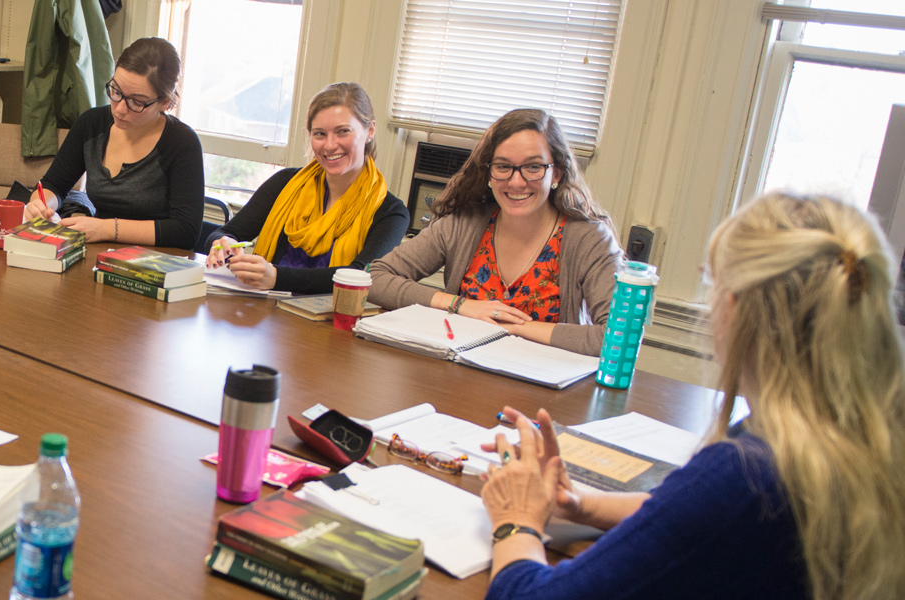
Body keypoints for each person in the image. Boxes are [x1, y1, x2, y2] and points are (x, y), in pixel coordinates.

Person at [479, 193, 905, 599]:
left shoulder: (747, 473)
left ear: (737, 309)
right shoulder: (855, 432)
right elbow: (692, 515)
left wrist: (516, 521)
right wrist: (581, 504)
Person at [365, 108, 620, 355]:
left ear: (557, 174)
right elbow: (375, 278)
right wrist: (459, 305)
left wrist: (512, 326)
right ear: (488, 172)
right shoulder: (464, 223)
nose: (516, 181)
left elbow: (616, 337)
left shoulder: (590, 239)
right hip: (458, 379)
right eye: (503, 166)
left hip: (546, 392)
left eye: (533, 167)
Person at [204, 83, 410, 294]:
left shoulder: (392, 213)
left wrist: (276, 277)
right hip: (263, 313)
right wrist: (223, 243)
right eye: (320, 134)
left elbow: (360, 275)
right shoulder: (285, 183)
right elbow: (226, 232)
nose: (330, 145)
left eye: (343, 132)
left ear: (370, 130)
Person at [23, 37, 204, 249]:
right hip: (97, 253)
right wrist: (40, 205)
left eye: (136, 102)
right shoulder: (92, 124)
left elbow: (185, 231)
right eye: (116, 92)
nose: (119, 109)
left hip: (155, 263)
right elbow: (54, 185)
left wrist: (106, 228)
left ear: (165, 102)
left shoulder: (182, 143)